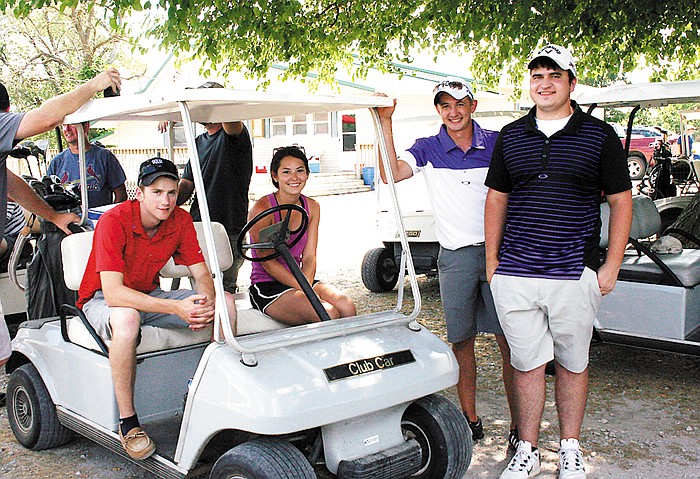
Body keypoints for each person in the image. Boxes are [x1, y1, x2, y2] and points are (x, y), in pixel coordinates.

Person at [484, 44, 633, 479]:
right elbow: (497, 199)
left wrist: (612, 266)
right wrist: (493, 264)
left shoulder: (599, 135)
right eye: (536, 76)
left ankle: (569, 448)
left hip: (574, 272)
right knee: (526, 364)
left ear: (571, 82)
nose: (544, 84)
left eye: (553, 75)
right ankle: (527, 450)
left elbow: (622, 203)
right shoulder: (511, 135)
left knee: (572, 362)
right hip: (515, 272)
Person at [375, 79, 517, 445]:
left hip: (499, 254)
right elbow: (391, 173)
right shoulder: (427, 147)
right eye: (444, 105)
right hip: (454, 257)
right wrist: (386, 121)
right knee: (461, 341)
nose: (453, 111)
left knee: (510, 342)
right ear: (438, 109)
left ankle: (521, 426)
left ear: (473, 105)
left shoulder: (499, 141)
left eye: (460, 103)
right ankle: (470, 418)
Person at [76, 157, 237, 460]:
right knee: (126, 319)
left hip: (147, 295)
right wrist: (176, 309)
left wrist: (204, 303)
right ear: (140, 192)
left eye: (172, 193)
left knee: (225, 303)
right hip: (102, 301)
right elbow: (112, 294)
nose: (165, 201)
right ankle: (129, 423)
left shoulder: (180, 220)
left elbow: (202, 274)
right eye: (157, 192)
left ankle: (220, 403)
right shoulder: (115, 221)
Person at [0, 68, 121, 369]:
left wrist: (52, 215)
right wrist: (94, 84)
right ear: (7, 111)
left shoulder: (103, 157)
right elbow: (47, 117)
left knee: (2, 353)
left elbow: (12, 184)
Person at [160, 81, 253, 294]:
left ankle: (224, 328)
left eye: (204, 103)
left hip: (228, 227)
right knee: (200, 290)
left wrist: (213, 100)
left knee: (223, 290)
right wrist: (167, 200)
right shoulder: (198, 142)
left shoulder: (234, 135)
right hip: (198, 227)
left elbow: (230, 118)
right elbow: (187, 184)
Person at [248, 146, 355, 324]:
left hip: (301, 278)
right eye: (286, 172)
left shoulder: (312, 207)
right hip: (267, 285)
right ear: (275, 176)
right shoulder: (262, 208)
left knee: (346, 305)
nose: (294, 178)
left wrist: (306, 283)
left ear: (307, 173)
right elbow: (267, 261)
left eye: (300, 171)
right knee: (327, 313)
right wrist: (303, 288)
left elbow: (309, 256)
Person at [47, 121, 127, 207]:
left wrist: (108, 216)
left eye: (72, 124)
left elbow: (121, 195)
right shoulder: (57, 162)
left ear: (86, 127)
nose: (67, 129)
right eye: (63, 125)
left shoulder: (104, 157)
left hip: (99, 219)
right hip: (70, 219)